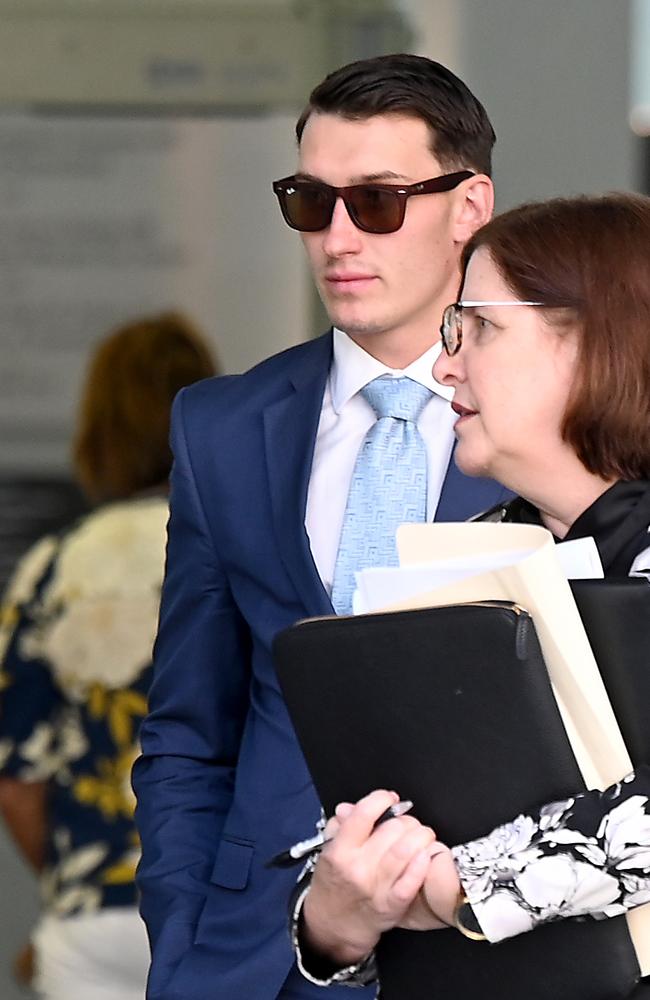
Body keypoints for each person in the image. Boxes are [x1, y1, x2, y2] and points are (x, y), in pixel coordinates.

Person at [132, 53, 512, 1000]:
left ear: (469, 206)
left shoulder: (555, 417)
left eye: (377, 201)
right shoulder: (221, 425)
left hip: (492, 944)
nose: (338, 236)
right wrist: (183, 939)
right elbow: (189, 725)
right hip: (250, 954)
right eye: (312, 201)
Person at [291, 192, 650, 997]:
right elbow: (403, 794)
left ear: (598, 341)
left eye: (476, 326)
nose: (444, 364)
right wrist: (337, 914)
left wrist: (464, 886)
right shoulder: (457, 555)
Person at [0, 312, 217, 1000]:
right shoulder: (238, 553)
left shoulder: (52, 568)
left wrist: (72, 884)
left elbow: (16, 776)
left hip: (91, 920)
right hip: (221, 909)